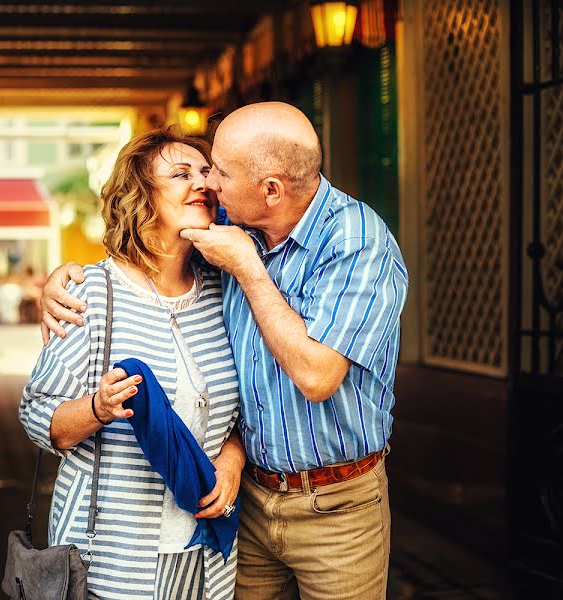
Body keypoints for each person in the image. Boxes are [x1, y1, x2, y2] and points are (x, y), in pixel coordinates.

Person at [40, 102, 408, 600]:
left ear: (270, 191)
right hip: (242, 511)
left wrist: (248, 268)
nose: (209, 183)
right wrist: (63, 280)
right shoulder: (226, 235)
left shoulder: (352, 244)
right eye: (193, 171)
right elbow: (148, 271)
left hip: (336, 507)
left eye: (218, 172)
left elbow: (317, 378)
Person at [19, 128, 245, 600]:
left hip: (204, 550)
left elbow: (250, 405)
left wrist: (232, 460)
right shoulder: (91, 294)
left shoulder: (225, 291)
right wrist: (98, 407)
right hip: (111, 554)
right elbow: (39, 415)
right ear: (140, 197)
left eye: (206, 172)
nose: (200, 182)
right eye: (181, 174)